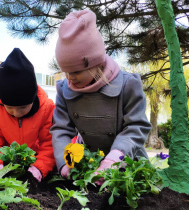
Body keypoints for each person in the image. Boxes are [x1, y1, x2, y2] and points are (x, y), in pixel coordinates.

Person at [50, 10, 152, 181]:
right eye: (65, 71)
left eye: (76, 71)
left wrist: (113, 160)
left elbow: (136, 127)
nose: (69, 77)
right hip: (89, 166)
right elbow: (61, 129)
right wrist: (65, 162)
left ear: (95, 63)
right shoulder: (64, 89)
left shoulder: (128, 84)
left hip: (128, 167)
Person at [0, 48, 55, 182]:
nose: (16, 113)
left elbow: (49, 145)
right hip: (7, 167)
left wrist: (38, 168)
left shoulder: (47, 109)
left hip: (35, 165)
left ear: (33, 99)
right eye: (9, 107)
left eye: (23, 107)